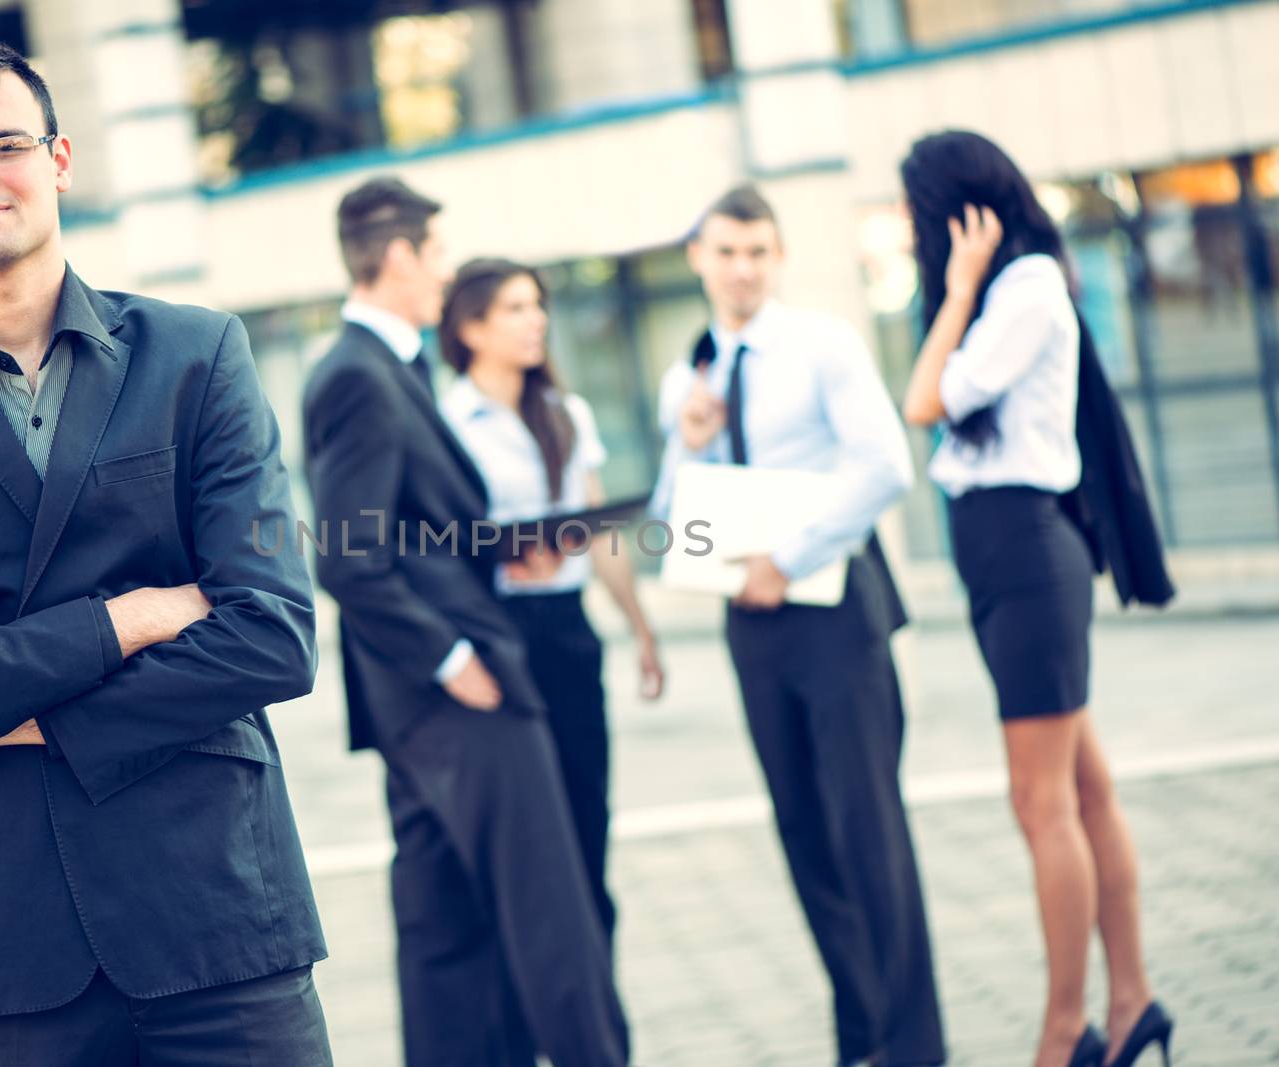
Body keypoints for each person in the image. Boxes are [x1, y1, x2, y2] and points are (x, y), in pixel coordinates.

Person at [0, 38, 331, 1065]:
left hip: (217, 909)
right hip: (2, 938)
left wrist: (16, 714)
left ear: (59, 158)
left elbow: (272, 636)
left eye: (3, 143)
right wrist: (123, 618)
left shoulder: (197, 355)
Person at [302, 179, 629, 1067]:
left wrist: (494, 548)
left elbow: (407, 530)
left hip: (420, 702)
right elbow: (346, 555)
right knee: (551, 910)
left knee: (444, 928)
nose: (446, 273)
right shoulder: (358, 376)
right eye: (439, 253)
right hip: (456, 691)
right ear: (402, 255)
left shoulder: (387, 366)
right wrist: (450, 657)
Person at [653, 183, 946, 1067]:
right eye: (727, 252)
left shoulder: (823, 345)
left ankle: (913, 1046)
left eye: (759, 252)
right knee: (803, 830)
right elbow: (673, 515)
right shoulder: (688, 372)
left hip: (833, 607)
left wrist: (792, 554)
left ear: (777, 260)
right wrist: (691, 439)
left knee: (867, 829)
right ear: (699, 260)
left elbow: (886, 465)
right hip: (752, 623)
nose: (743, 269)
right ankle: (861, 1036)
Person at [900, 129, 1174, 1067]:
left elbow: (926, 400)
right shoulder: (1010, 292)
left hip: (1024, 547)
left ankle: (1068, 1030)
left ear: (958, 213)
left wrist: (962, 284)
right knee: (1083, 789)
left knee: (1040, 800)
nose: (911, 232)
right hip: (1007, 553)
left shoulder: (1021, 291)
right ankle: (1132, 1003)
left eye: (917, 212)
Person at [437, 256, 666, 943]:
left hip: (567, 630)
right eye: (515, 307)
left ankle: (594, 1000)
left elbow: (598, 533)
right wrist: (501, 554)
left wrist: (641, 629)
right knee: (528, 830)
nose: (536, 319)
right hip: (497, 633)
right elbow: (437, 542)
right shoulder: (445, 420)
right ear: (471, 327)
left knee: (587, 812)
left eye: (537, 305)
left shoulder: (567, 413)